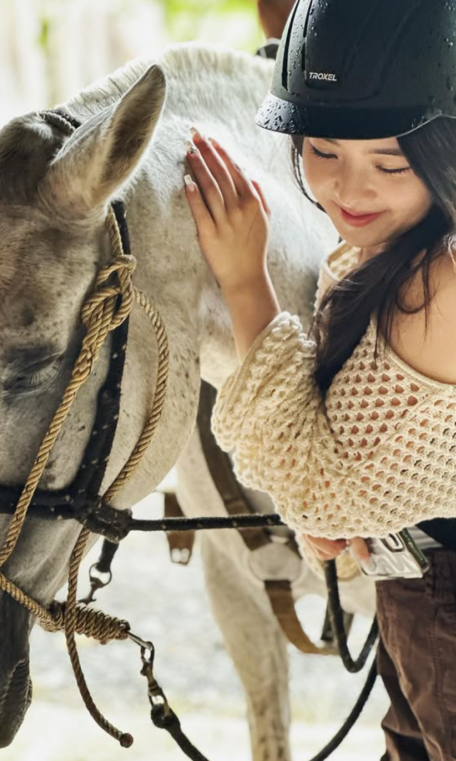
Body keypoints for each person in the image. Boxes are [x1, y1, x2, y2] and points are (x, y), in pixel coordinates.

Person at [183, 0, 456, 758]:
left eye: (390, 164)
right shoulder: (393, 254)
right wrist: (330, 501)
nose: (348, 190)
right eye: (322, 151)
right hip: (421, 595)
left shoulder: (440, 282)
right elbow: (335, 471)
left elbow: (323, 492)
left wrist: (247, 286)